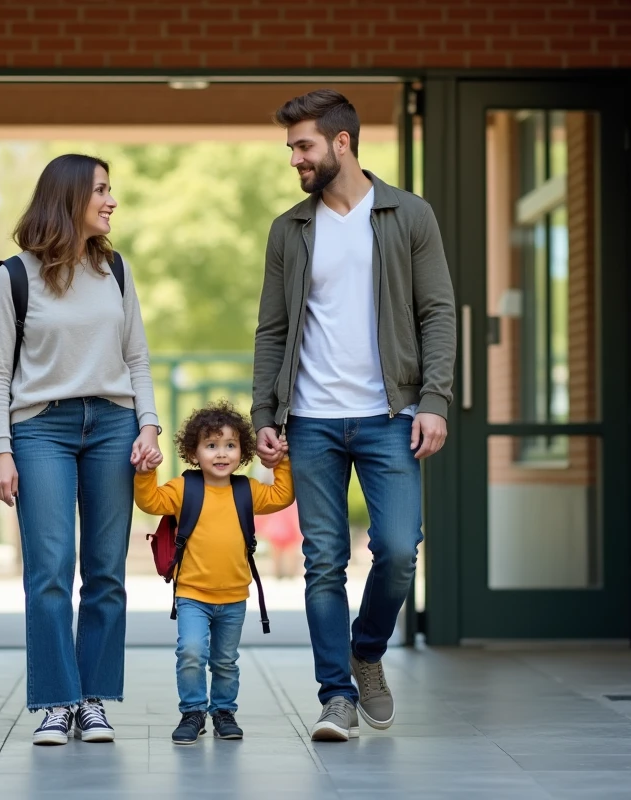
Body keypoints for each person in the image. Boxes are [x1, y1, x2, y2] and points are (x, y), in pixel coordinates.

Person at [251, 90, 456, 741]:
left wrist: (435, 399)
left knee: (398, 549)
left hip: (388, 415)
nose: (295, 159)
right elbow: (273, 331)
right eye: (291, 148)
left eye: (303, 146)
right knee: (322, 561)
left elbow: (437, 313)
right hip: (310, 420)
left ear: (342, 143)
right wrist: (266, 411)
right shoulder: (291, 229)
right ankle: (335, 695)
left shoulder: (408, 215)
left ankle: (365, 650)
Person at [0, 153, 163, 746]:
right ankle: (56, 702)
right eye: (102, 191)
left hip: (113, 426)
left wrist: (149, 426)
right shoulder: (14, 276)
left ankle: (93, 701)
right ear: (68, 199)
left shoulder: (116, 271)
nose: (112, 201)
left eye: (112, 191)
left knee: (107, 573)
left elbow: (137, 356)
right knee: (51, 570)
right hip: (41, 430)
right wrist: (0, 450)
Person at [133, 401, 294, 745]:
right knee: (191, 652)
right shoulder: (183, 489)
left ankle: (223, 712)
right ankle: (193, 711)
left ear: (243, 451)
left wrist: (281, 462)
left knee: (225, 662)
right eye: (211, 445)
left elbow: (282, 495)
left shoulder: (246, 491)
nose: (221, 454)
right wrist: (146, 473)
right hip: (192, 595)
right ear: (194, 452)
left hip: (235, 597)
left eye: (230, 445)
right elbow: (150, 503)